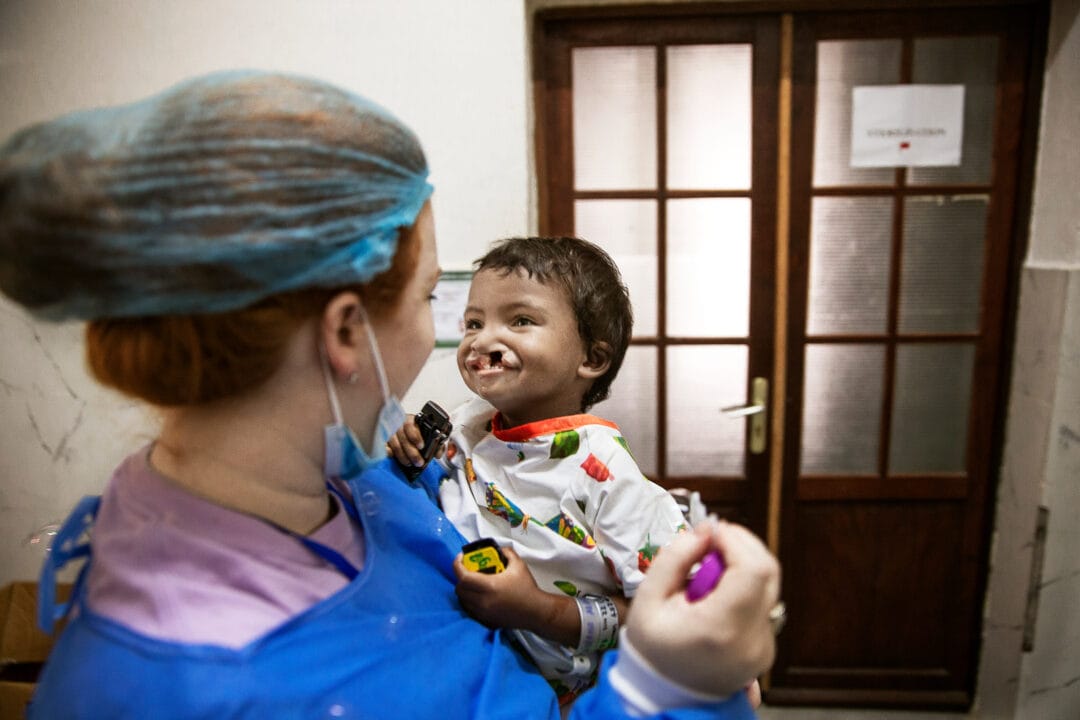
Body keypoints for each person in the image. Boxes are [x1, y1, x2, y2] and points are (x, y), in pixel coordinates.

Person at [0, 69, 781, 719]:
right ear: (345, 333)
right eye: (434, 304)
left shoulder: (343, 475)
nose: (466, 339)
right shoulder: (197, 688)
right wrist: (668, 687)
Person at [389, 236, 725, 704]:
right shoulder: (467, 424)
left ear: (591, 359)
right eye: (473, 322)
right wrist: (407, 444)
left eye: (521, 321)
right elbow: (431, 488)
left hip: (571, 699)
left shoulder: (604, 474)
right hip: (473, 670)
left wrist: (539, 610)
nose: (482, 340)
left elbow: (665, 620)